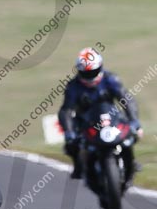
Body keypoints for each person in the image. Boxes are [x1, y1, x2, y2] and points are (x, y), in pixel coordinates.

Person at [58, 47, 143, 182]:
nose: (90, 77)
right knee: (71, 144)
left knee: (133, 133)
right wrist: (69, 132)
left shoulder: (110, 79)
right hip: (86, 120)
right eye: (86, 73)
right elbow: (66, 110)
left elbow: (126, 99)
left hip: (111, 116)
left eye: (93, 72)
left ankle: (130, 161)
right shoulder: (73, 86)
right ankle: (79, 166)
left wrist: (134, 121)